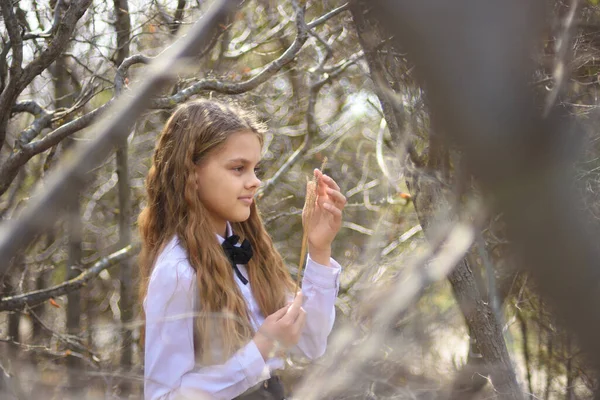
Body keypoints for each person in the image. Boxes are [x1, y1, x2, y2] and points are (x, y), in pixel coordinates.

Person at [138, 99, 346, 400]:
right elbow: (164, 397)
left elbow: (311, 343)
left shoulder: (249, 252)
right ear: (192, 174)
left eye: (255, 168)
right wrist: (262, 348)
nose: (255, 182)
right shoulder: (178, 271)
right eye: (239, 168)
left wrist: (319, 249)